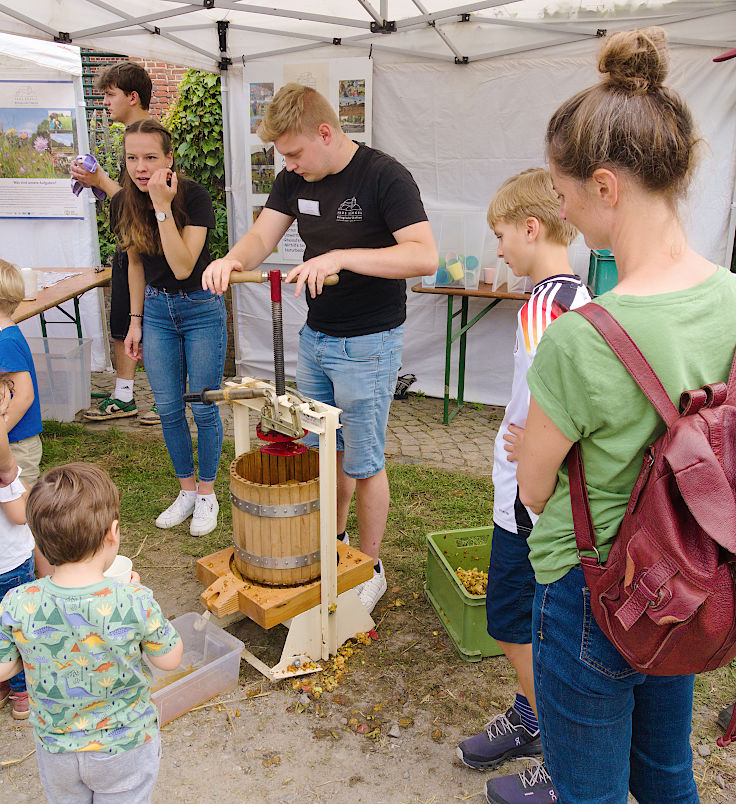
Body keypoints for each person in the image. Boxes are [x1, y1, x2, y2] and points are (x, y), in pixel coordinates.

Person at [516, 27, 730, 803]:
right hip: (692, 577)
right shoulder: (733, 298)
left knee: (591, 793)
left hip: (596, 591)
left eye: (564, 191)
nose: (562, 207)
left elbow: (534, 486)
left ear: (606, 187)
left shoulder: (583, 338)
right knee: (669, 770)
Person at [202, 84, 437, 613]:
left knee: (364, 460)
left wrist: (342, 257)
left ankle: (369, 565)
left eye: (293, 153)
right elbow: (260, 238)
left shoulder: (384, 176)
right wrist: (231, 260)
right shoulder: (293, 180)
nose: (288, 165)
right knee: (317, 450)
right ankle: (324, 545)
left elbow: (424, 257)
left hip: (370, 344)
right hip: (316, 340)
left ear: (325, 133)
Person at [456, 169, 588, 804]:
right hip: (542, 497)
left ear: (532, 229)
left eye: (501, 234)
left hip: (526, 502)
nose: (499, 249)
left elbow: (549, 390)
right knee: (537, 622)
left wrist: (535, 444)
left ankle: (562, 759)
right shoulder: (582, 296)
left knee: (512, 625)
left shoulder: (544, 304)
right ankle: (533, 719)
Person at [0, 462, 183, 802]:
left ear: (36, 539)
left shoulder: (17, 603)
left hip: (57, 750)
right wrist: (140, 603)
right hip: (125, 748)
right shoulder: (132, 599)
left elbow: (3, 668)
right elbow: (171, 659)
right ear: (112, 533)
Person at [119, 119, 226, 537]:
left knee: (202, 404)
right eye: (132, 158)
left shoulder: (194, 197)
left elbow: (183, 266)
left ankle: (207, 493)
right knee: (167, 408)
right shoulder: (124, 202)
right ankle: (185, 490)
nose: (140, 167)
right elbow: (134, 265)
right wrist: (135, 320)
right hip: (158, 312)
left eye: (150, 157)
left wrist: (162, 207)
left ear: (168, 159)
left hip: (200, 306)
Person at [75, 62, 160, 426]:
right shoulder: (134, 136)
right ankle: (125, 395)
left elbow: (144, 201)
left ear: (132, 96)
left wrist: (102, 180)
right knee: (122, 322)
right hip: (131, 248)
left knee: (153, 325)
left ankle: (161, 399)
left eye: (110, 95)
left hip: (151, 252)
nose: (104, 102)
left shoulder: (152, 138)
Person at [0, 372, 35, 720]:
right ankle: (23, 693)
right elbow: (18, 516)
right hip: (9, 565)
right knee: (19, 627)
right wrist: (24, 490)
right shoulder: (4, 471)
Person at [0, 259, 43, 487]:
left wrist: (1, 430)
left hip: (17, 443)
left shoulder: (5, 342)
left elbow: (24, 395)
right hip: (9, 440)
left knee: (19, 506)